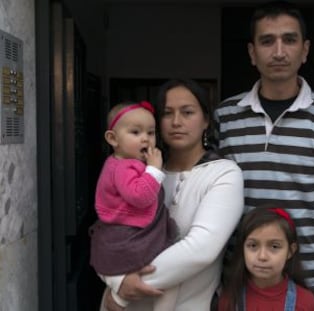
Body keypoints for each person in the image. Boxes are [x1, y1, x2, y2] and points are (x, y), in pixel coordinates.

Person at [214, 1, 314, 310]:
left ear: (305, 50)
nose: (279, 51)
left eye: (289, 40)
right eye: (267, 41)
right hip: (238, 285)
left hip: (306, 285)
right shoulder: (225, 117)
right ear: (252, 53)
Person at [99, 78, 245, 311]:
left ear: (206, 120)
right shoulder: (137, 173)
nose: (177, 122)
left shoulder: (224, 174)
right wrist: (116, 281)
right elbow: (107, 231)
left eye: (187, 112)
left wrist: (123, 289)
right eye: (167, 113)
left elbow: (200, 250)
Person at [89, 100, 177, 309]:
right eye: (135, 132)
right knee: (137, 259)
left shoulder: (127, 163)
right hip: (126, 233)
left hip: (132, 227)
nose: (145, 138)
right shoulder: (123, 167)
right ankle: (118, 290)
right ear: (113, 139)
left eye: (151, 132)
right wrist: (155, 169)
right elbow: (140, 197)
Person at [218, 207, 314, 311]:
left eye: (274, 246)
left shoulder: (305, 302)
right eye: (253, 245)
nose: (262, 256)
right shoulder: (230, 299)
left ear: (290, 251)